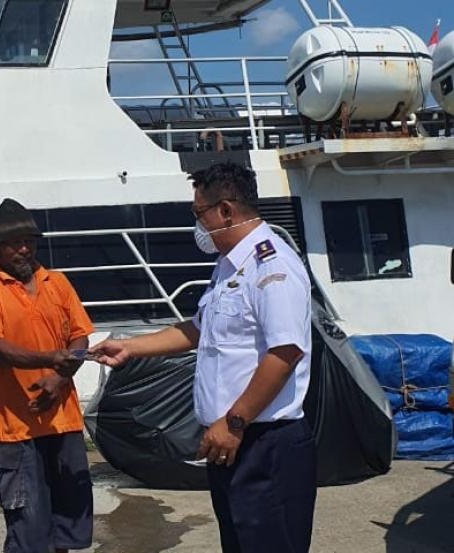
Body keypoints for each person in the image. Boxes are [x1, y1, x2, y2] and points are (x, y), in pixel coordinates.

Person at [91, 163, 317, 553]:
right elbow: (199, 329)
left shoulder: (271, 264)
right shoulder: (229, 266)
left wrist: (234, 422)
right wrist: (131, 348)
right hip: (231, 441)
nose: (198, 224)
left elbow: (285, 352)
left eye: (200, 214)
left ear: (226, 211)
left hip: (262, 444)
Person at [0, 199, 94, 553]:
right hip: (16, 429)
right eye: (14, 243)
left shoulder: (59, 283)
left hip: (64, 423)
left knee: (67, 528)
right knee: (27, 532)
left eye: (29, 241)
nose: (24, 249)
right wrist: (51, 358)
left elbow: (80, 335)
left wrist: (59, 378)